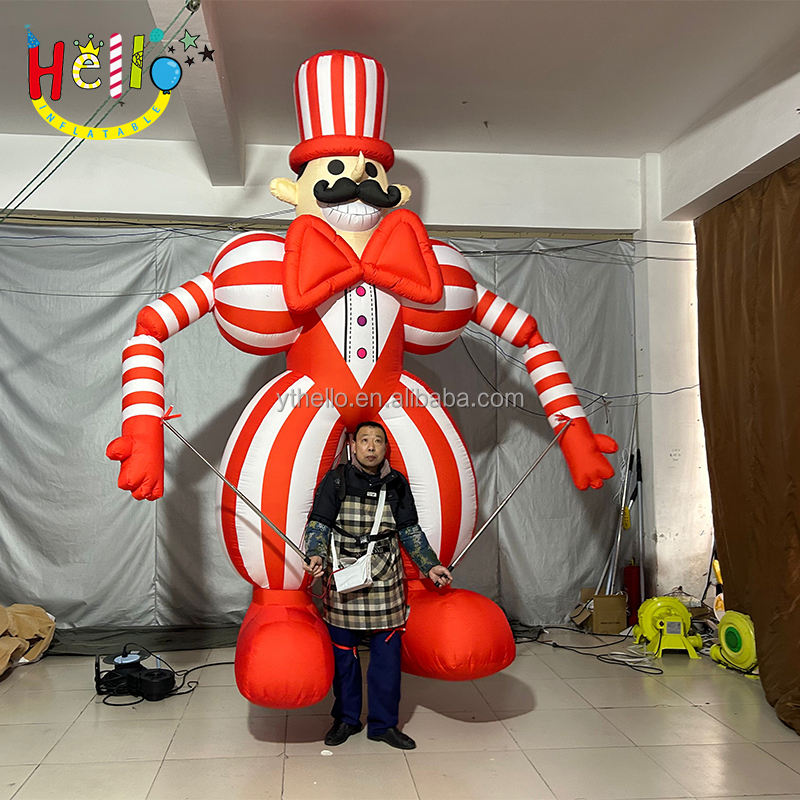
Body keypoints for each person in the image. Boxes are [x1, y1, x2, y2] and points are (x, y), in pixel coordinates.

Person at [303, 421, 453, 750]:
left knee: (387, 658)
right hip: (343, 575)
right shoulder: (336, 480)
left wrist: (430, 565)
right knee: (344, 658)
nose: (371, 447)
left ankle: (384, 725)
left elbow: (410, 530)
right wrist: (315, 553)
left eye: (378, 441)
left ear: (386, 448)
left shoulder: (396, 483)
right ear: (353, 446)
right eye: (365, 440)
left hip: (386, 577)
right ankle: (346, 719)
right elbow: (319, 523)